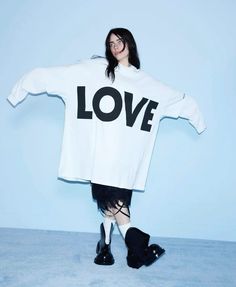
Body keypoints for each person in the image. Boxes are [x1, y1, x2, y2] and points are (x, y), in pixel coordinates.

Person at [7, 28, 206, 269]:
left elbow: (177, 99)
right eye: (110, 43)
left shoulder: (145, 82)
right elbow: (48, 75)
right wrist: (18, 91)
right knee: (116, 201)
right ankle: (137, 247)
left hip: (125, 159)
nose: (114, 46)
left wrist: (197, 119)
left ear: (130, 44)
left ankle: (106, 245)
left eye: (119, 41)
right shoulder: (94, 71)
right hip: (101, 156)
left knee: (115, 202)